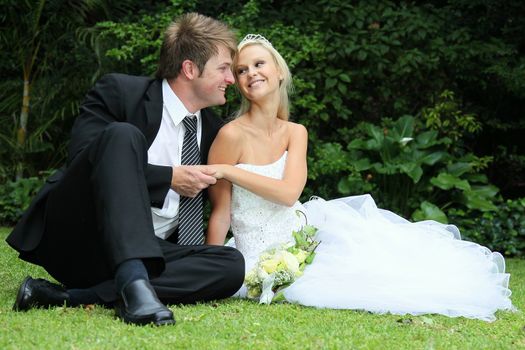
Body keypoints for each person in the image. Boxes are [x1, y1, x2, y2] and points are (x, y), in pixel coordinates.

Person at [204, 34, 514, 321]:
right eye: (241, 70)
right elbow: (220, 213)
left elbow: (289, 193)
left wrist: (230, 171)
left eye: (259, 64)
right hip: (258, 256)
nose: (251, 74)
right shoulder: (231, 135)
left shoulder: (296, 132)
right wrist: (213, 272)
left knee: (381, 265)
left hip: (304, 236)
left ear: (279, 72)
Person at [6, 13, 245, 326]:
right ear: (189, 69)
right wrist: (168, 177)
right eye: (224, 69)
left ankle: (71, 296)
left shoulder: (214, 130)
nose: (232, 79)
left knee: (231, 265)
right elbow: (85, 160)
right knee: (122, 135)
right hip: (84, 238)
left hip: (154, 252)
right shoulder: (119, 93)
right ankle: (132, 280)